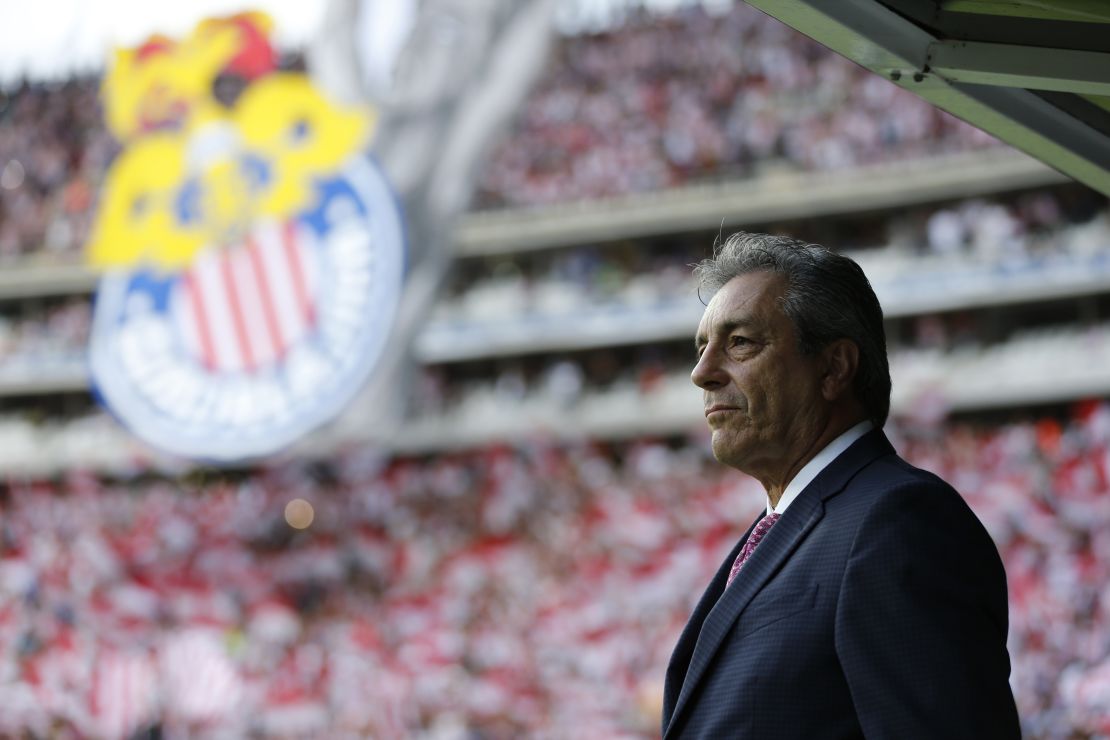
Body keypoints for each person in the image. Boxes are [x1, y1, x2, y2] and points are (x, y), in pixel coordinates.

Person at [662, 232, 1019, 738]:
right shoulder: (790, 526)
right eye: (702, 348)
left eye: (739, 342)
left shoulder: (897, 522)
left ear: (833, 368)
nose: (702, 373)